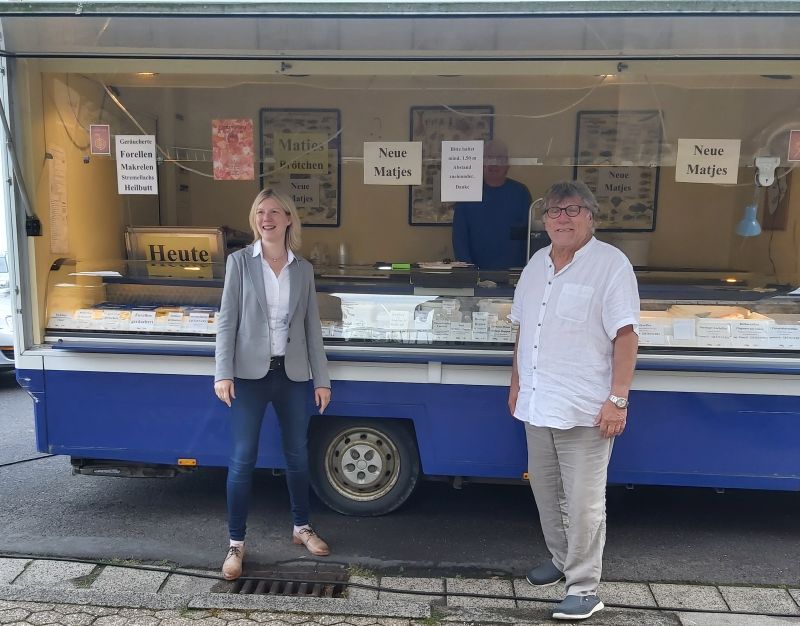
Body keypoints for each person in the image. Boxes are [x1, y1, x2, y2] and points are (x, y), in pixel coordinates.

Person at [508, 180, 639, 621]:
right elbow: (523, 330)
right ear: (544, 220)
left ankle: (584, 587)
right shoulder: (535, 264)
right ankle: (561, 560)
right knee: (546, 494)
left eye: (571, 210)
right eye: (553, 211)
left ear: (590, 216)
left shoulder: (611, 265)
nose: (561, 219)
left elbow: (626, 335)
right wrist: (516, 383)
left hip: (586, 407)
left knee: (583, 502)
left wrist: (617, 399)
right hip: (538, 401)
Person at [214, 188, 332, 581]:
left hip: (293, 374)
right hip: (248, 375)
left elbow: (311, 327)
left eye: (275, 212)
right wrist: (222, 372)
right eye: (260, 212)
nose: (267, 218)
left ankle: (302, 528)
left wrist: (322, 379)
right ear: (255, 220)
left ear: (288, 219)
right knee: (242, 459)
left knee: (297, 455)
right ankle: (236, 544)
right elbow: (227, 320)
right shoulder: (239, 263)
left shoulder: (303, 269)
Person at [451, 140, 537, 270]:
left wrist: (528, 269)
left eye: (500, 158)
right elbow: (460, 239)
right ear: (480, 163)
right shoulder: (468, 193)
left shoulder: (520, 193)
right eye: (489, 158)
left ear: (507, 164)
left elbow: (530, 236)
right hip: (476, 273)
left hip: (515, 273)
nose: (494, 163)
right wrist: (468, 271)